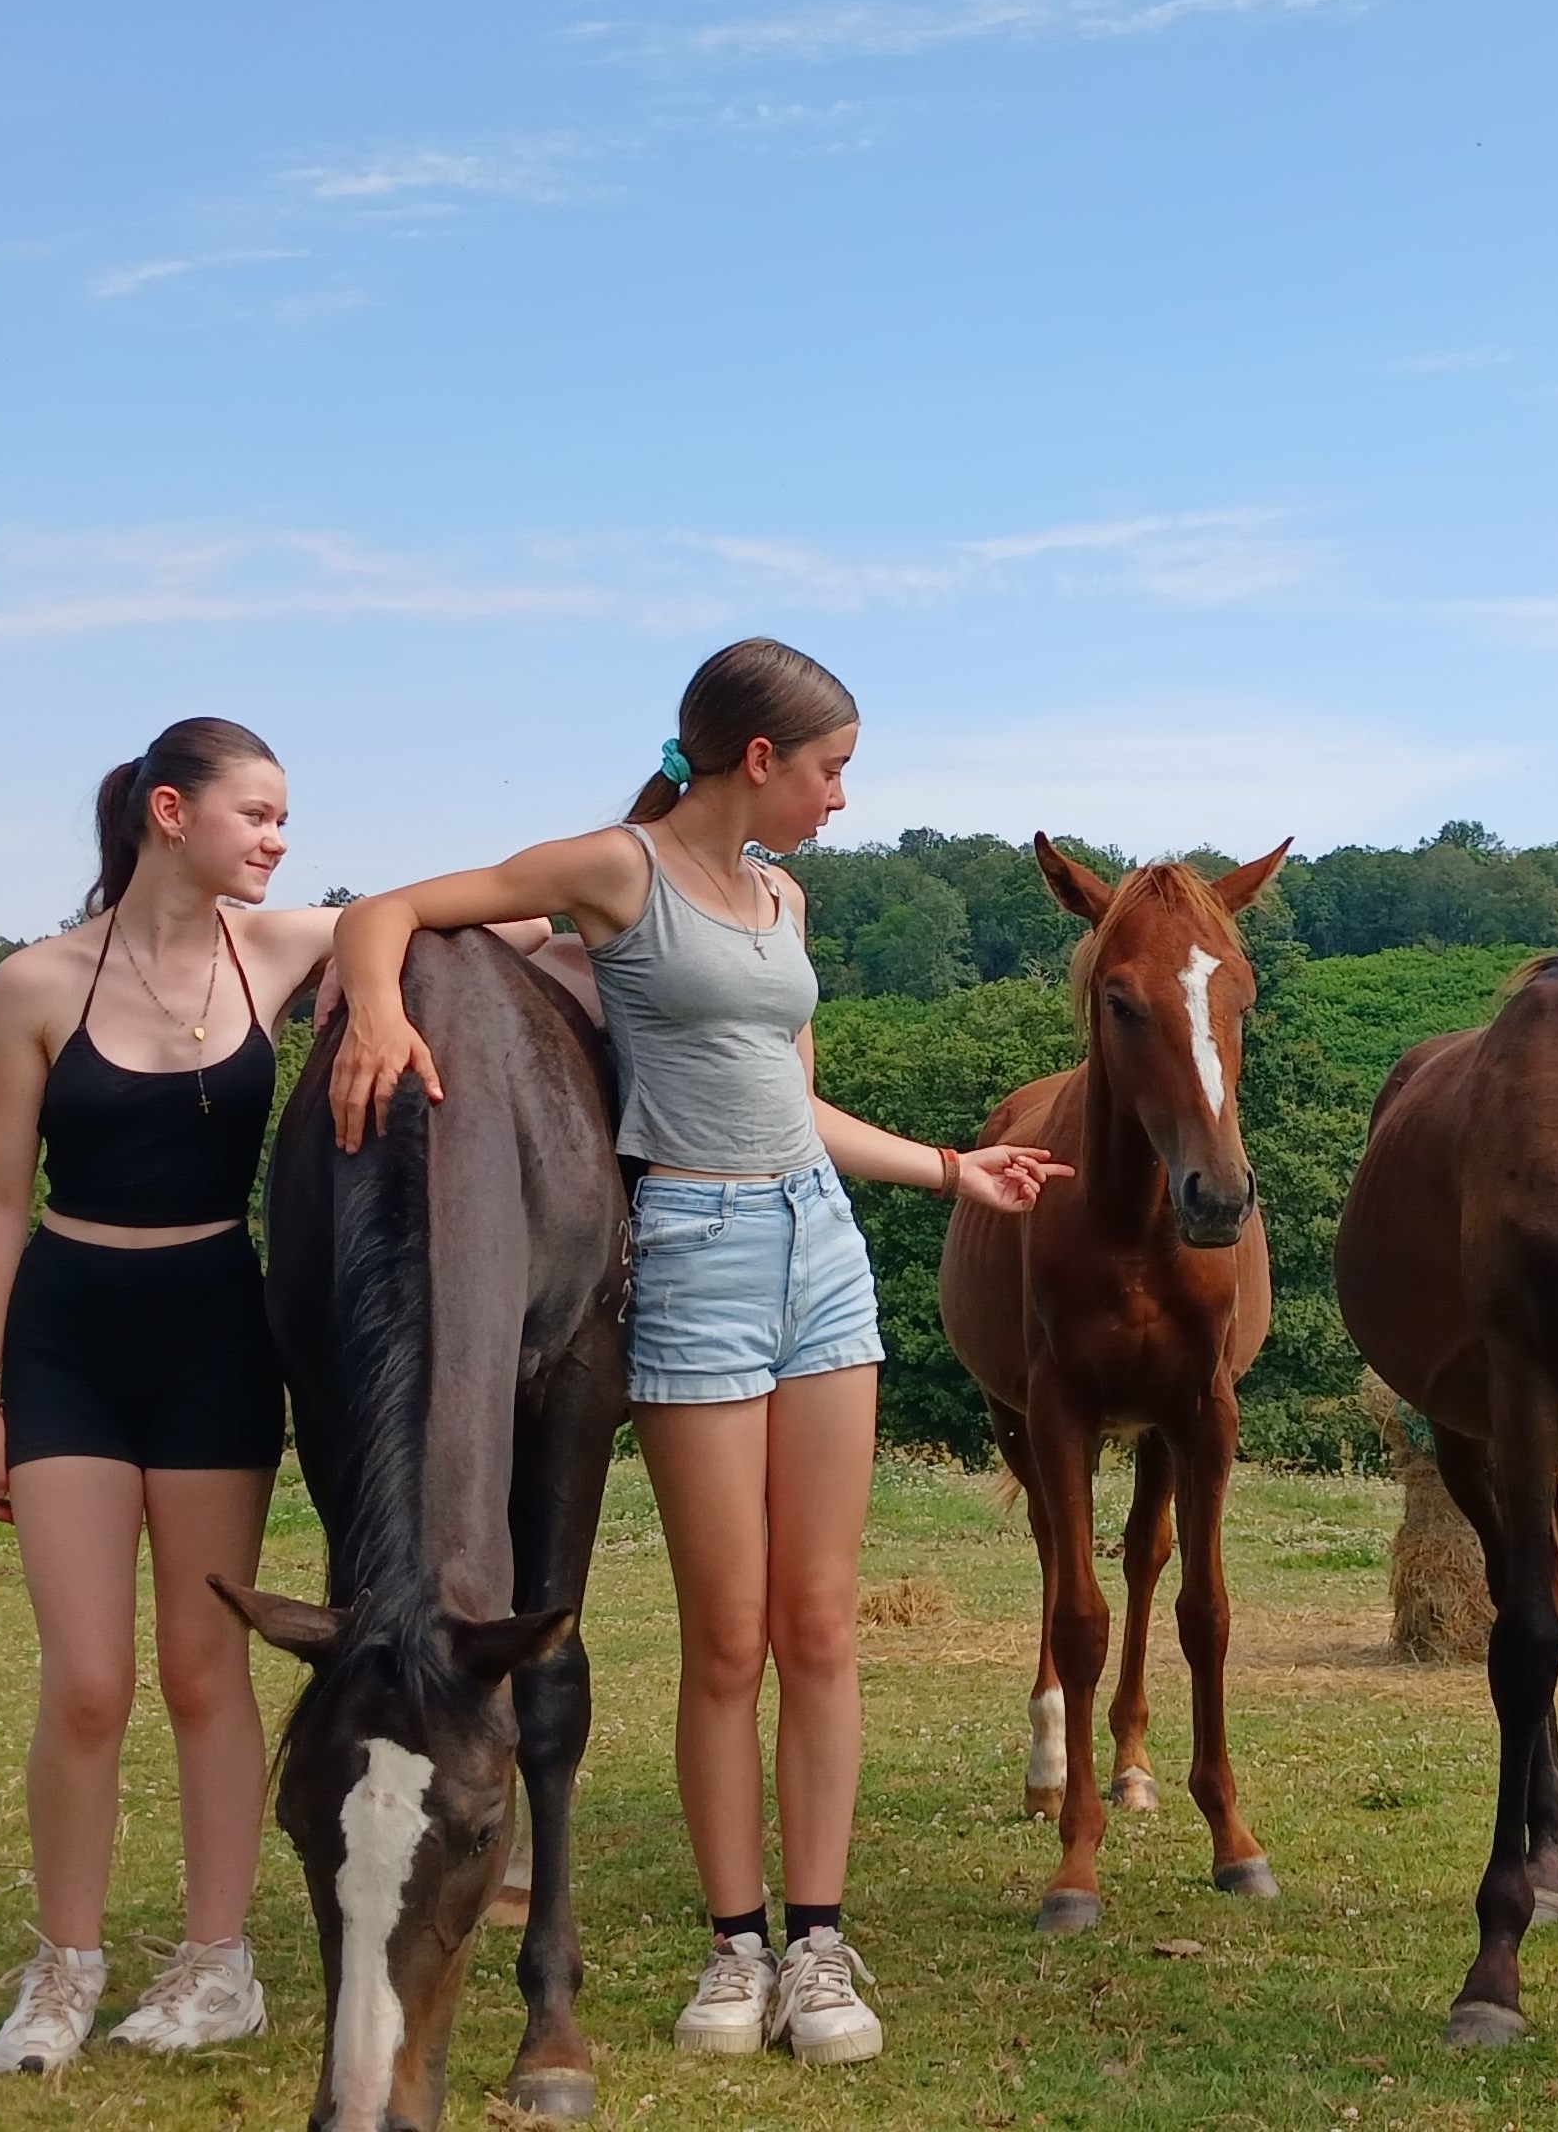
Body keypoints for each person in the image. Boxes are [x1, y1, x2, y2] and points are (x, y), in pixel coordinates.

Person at [326, 638, 1067, 2070]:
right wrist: (371, 1006)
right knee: (727, 1642)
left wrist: (944, 1168)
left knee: (823, 1628)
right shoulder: (617, 872)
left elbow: (791, 1103)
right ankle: (733, 1950)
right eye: (834, 770)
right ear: (757, 762)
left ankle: (818, 1943)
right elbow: (396, 910)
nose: (844, 800)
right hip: (694, 1258)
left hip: (819, 1253)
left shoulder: (782, 896)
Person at [0, 721, 335, 2072]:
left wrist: (653, 835)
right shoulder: (35, 983)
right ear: (170, 813)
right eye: (260, 812)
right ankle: (62, 1971)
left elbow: (455, 921)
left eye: (286, 817)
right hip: (67, 1341)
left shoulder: (279, 949)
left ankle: (217, 1966)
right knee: (90, 1683)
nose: (280, 837)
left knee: (200, 1667)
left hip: (216, 1337)